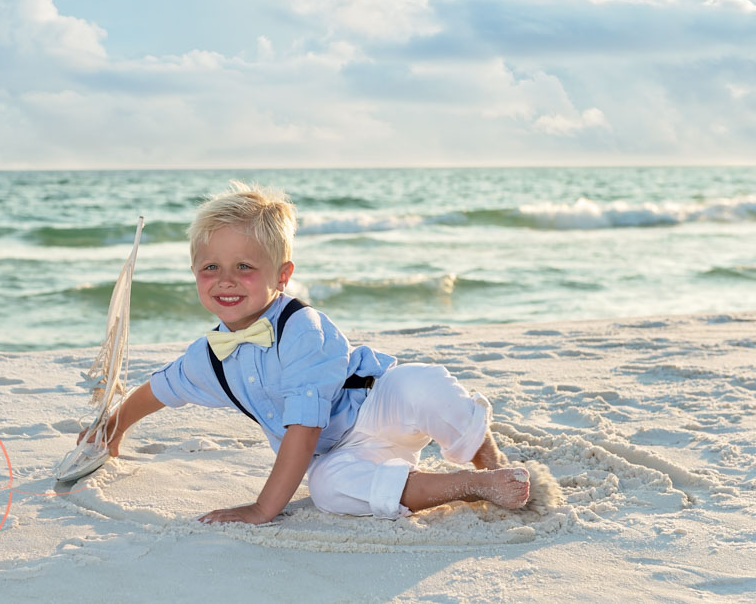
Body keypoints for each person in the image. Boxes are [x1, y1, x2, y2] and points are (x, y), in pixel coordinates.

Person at [79, 181, 529, 525]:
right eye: (210, 267)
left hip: (375, 405)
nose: (225, 280)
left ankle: (490, 465)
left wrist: (263, 508)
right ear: (195, 273)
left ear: (282, 274)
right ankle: (467, 487)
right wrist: (113, 429)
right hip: (337, 452)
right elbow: (159, 389)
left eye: (245, 267)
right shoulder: (211, 355)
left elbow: (304, 427)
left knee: (422, 384)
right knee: (330, 490)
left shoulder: (302, 329)